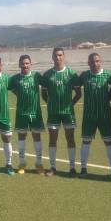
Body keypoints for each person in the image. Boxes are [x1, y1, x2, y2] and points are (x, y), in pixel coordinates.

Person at [41, 47, 82, 177]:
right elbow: (43, 93)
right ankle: (53, 167)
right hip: (53, 113)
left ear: (63, 56)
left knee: (70, 138)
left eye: (60, 55)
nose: (58, 58)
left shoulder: (71, 74)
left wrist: (70, 104)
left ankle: (72, 168)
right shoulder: (47, 75)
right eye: (55, 55)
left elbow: (78, 94)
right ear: (52, 57)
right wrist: (51, 104)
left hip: (68, 113)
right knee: (53, 139)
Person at [78, 53, 111, 178]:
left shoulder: (108, 75)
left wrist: (108, 97)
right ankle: (83, 168)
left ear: (101, 61)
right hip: (89, 115)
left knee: (108, 141)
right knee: (86, 141)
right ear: (88, 63)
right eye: (92, 61)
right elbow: (74, 85)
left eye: (97, 61)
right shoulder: (84, 75)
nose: (95, 63)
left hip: (104, 115)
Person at [8, 54, 45, 174]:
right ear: (19, 65)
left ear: (31, 64)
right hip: (21, 113)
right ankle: (22, 163)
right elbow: (9, 87)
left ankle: (39, 164)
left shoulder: (37, 76)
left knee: (36, 136)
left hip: (35, 112)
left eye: (27, 63)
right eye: (23, 63)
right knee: (21, 137)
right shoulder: (15, 78)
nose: (25, 65)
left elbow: (46, 85)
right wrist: (18, 93)